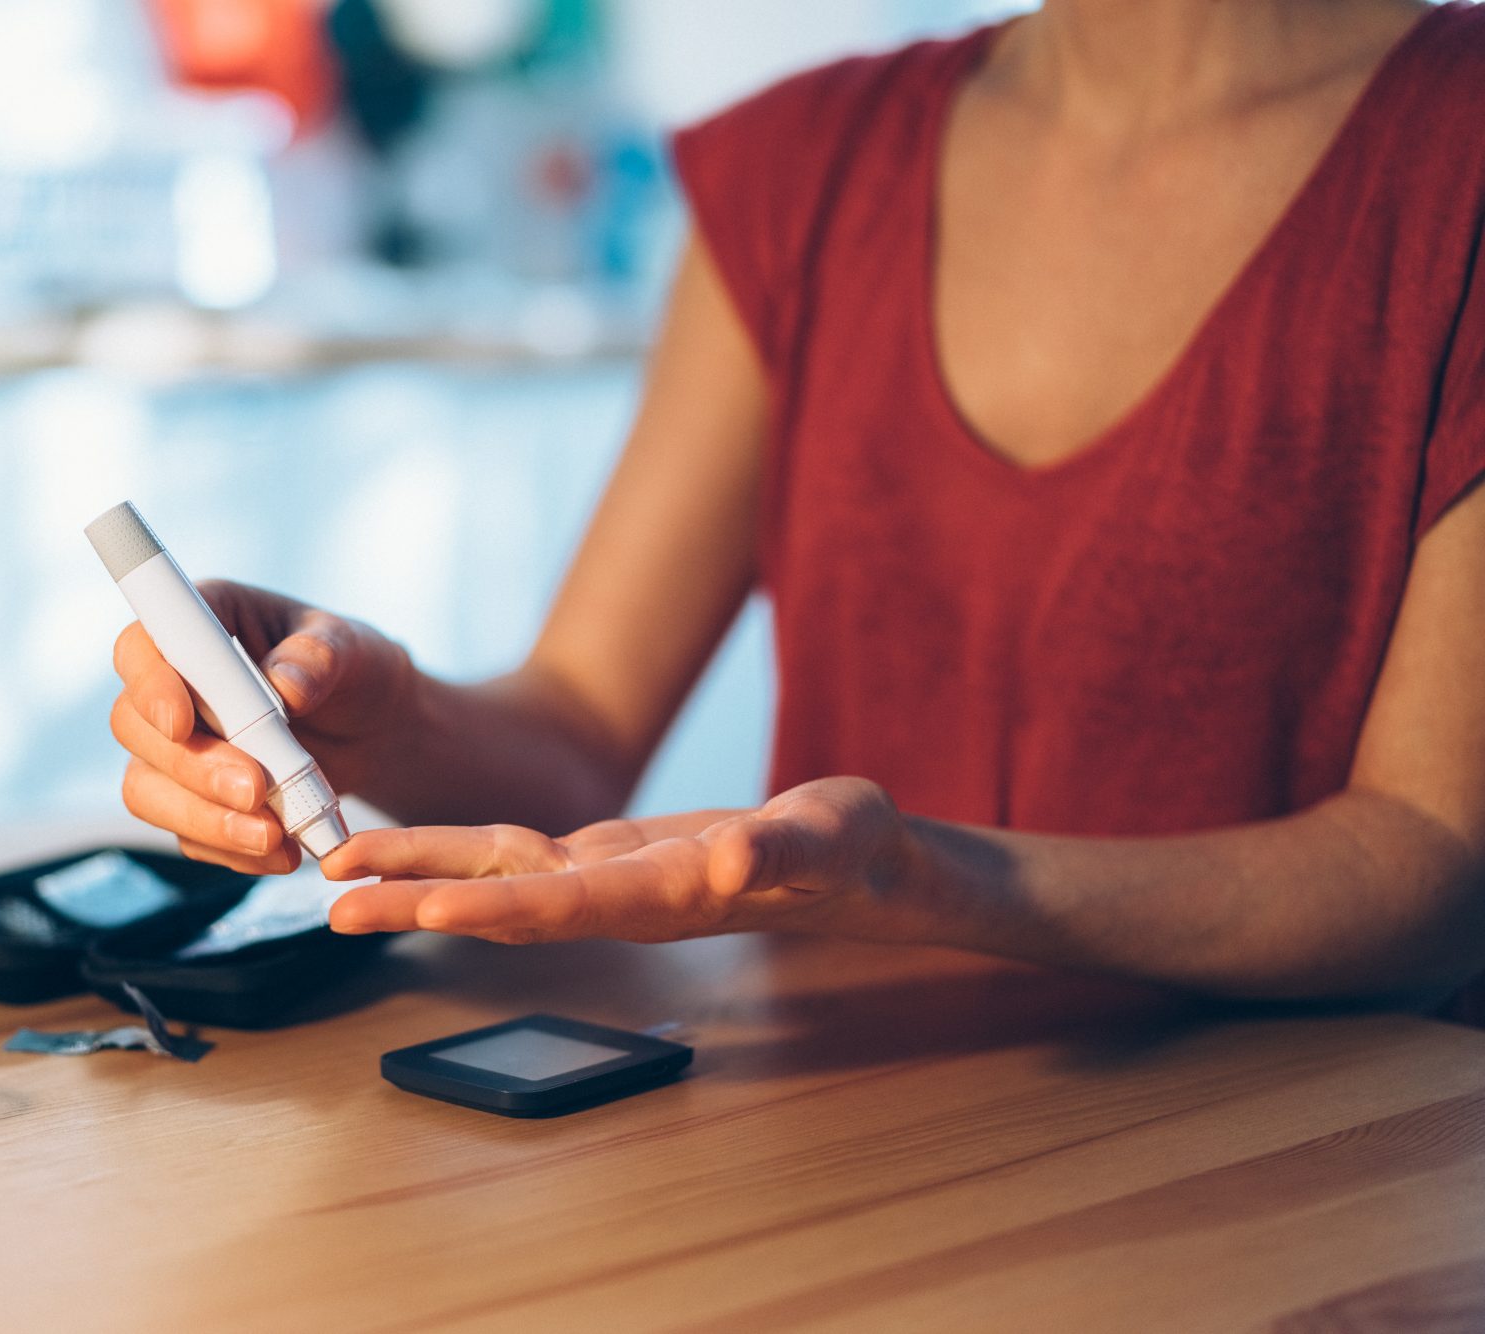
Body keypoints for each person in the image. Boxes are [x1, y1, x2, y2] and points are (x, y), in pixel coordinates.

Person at [108, 0, 1485, 1005]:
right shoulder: (807, 167)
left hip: (1307, 1183)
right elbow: (581, 733)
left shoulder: (1455, 150)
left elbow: (1432, 860)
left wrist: (921, 879)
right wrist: (380, 714)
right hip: (845, 1144)